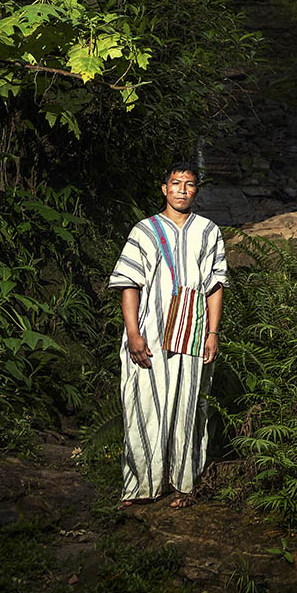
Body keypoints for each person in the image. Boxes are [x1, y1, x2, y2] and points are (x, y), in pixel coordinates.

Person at [106, 163, 228, 508]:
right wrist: (133, 333)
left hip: (193, 330)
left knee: (188, 407)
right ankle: (140, 486)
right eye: (176, 183)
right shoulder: (144, 231)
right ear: (164, 188)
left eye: (189, 185)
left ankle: (185, 486)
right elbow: (129, 283)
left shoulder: (208, 231)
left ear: (196, 192)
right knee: (143, 405)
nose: (182, 190)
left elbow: (215, 286)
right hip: (150, 333)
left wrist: (213, 333)